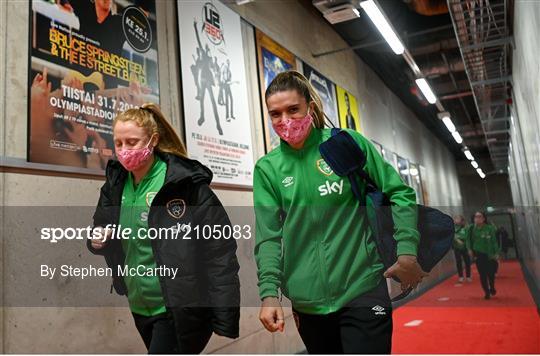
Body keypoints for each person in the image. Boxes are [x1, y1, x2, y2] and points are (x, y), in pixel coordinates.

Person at [253, 71, 426, 354]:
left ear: (309, 106)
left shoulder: (345, 143)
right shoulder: (268, 169)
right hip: (308, 303)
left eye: (293, 109)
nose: (285, 121)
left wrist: (407, 250)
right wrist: (269, 294)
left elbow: (399, 193)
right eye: (275, 114)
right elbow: (268, 237)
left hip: (364, 287)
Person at [87, 103, 240, 353]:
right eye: (118, 143)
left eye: (132, 142)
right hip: (139, 304)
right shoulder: (116, 184)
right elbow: (100, 227)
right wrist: (98, 239)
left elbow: (219, 249)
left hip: (179, 307)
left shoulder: (183, 184)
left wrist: (224, 314)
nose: (124, 150)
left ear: (153, 140)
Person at [468, 211, 500, 300]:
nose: (477, 218)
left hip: (490, 255)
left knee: (491, 274)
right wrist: (469, 249)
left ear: (483, 218)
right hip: (479, 255)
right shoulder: (471, 228)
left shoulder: (489, 228)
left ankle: (492, 287)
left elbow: (494, 241)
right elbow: (468, 240)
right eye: (476, 217)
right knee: (482, 274)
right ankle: (486, 292)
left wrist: (496, 253)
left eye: (479, 216)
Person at [453, 215, 472, 283]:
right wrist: (457, 239)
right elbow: (451, 236)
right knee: (458, 262)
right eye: (455, 218)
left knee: (467, 262)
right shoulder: (453, 227)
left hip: (465, 247)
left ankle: (468, 276)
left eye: (458, 218)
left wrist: (469, 248)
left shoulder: (465, 227)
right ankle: (460, 276)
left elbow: (467, 237)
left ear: (461, 220)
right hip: (456, 247)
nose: (456, 220)